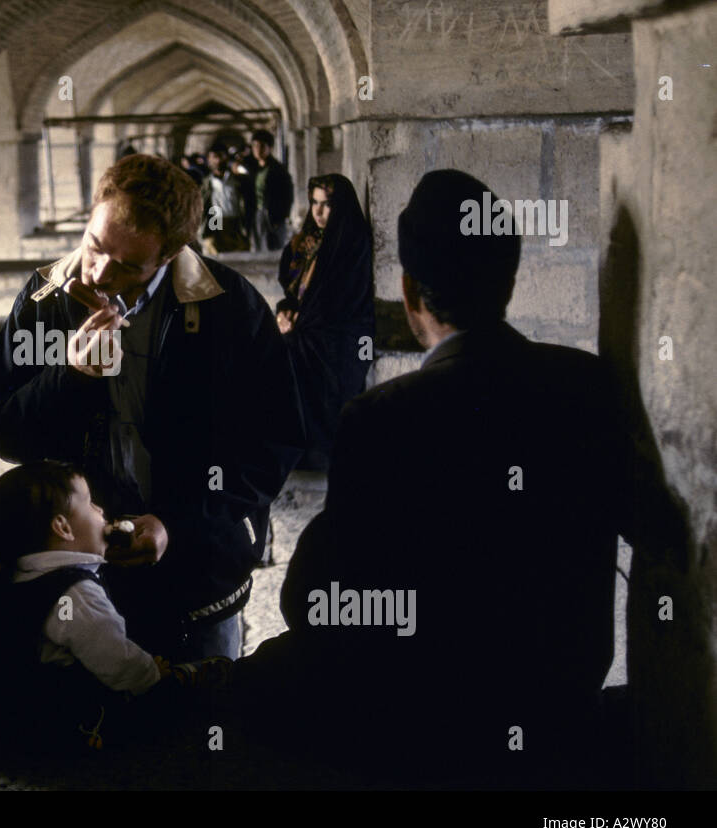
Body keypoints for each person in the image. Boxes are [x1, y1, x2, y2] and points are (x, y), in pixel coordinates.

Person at [233, 170, 634, 786]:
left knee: (261, 680)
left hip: (439, 717)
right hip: (559, 697)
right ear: (509, 278)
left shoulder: (382, 416)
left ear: (410, 291)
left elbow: (318, 599)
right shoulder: (586, 382)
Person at [0, 154, 302, 663]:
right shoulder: (46, 302)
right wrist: (70, 375)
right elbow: (6, 435)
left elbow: (270, 445)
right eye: (95, 244)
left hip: (197, 574)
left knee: (196, 712)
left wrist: (177, 525)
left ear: (170, 253)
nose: (100, 271)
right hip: (78, 574)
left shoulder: (227, 307)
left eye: (128, 265)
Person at [0, 461, 163, 748]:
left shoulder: (22, 577)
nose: (102, 511)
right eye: (91, 504)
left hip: (25, 722)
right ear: (63, 527)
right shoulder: (76, 592)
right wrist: (155, 678)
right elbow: (117, 660)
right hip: (76, 723)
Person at [276, 174, 375, 470]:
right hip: (310, 329)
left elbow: (345, 300)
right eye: (314, 203)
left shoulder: (351, 242)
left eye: (327, 205)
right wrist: (285, 312)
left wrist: (299, 323)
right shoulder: (307, 243)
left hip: (342, 335)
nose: (318, 213)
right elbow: (295, 295)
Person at [199, 143, 249, 254]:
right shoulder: (206, 183)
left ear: (226, 157)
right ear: (209, 160)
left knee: (238, 254)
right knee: (215, 255)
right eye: (214, 157)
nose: (217, 161)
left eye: (221, 156)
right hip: (215, 218)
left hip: (234, 221)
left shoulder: (237, 180)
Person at [248, 129, 293, 252]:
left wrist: (282, 216)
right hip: (258, 213)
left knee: (274, 248)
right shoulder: (254, 169)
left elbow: (287, 195)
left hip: (273, 214)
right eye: (255, 146)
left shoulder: (278, 170)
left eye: (262, 146)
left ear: (270, 148)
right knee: (258, 248)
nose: (258, 149)